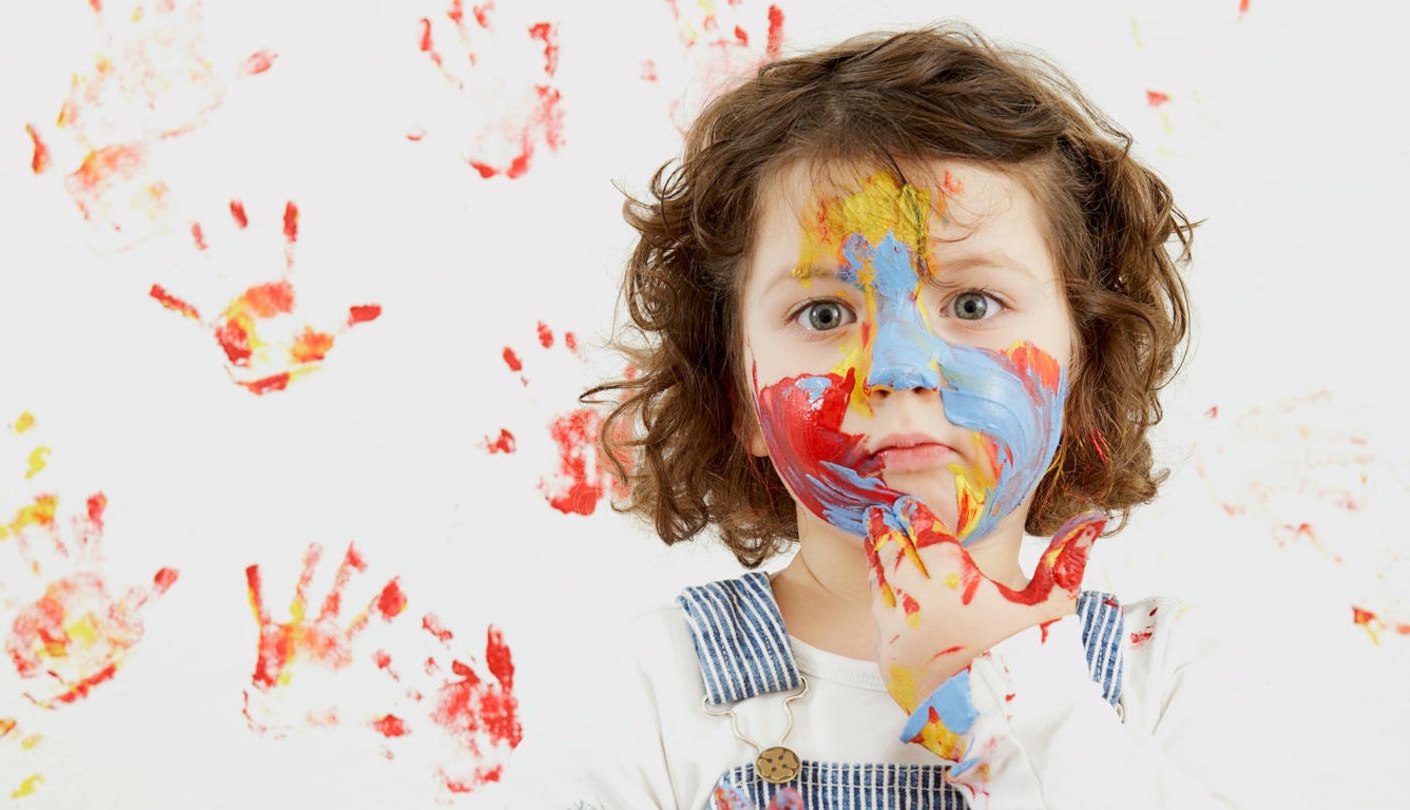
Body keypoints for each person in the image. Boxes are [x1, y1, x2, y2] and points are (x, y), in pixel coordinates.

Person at [513, 22, 1301, 810]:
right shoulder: (648, 694)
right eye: (824, 314)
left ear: (1081, 369)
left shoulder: (1163, 675)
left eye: (972, 303)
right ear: (737, 395)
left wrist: (1018, 704)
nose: (898, 367)